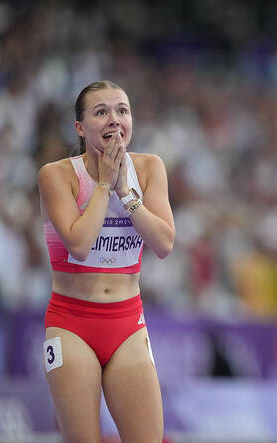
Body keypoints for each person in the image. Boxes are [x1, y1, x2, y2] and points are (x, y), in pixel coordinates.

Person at [38, 80, 175, 442]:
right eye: (102, 112)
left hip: (127, 321)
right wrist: (101, 185)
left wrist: (125, 193)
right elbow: (79, 245)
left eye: (122, 111)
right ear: (80, 128)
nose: (114, 119)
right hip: (71, 324)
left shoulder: (148, 168)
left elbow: (163, 243)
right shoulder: (57, 175)